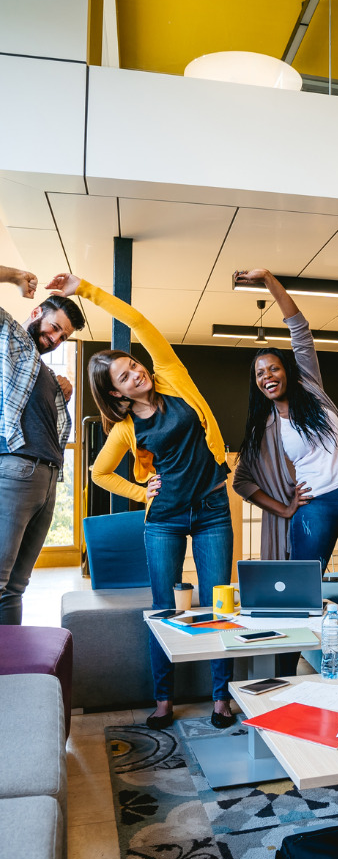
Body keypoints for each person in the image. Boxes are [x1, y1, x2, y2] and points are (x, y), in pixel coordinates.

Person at [46, 271, 234, 732]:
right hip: (164, 519)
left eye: (133, 365)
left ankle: (221, 697)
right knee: (164, 607)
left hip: (212, 509)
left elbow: (140, 322)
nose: (137, 372)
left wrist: (84, 291)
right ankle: (164, 698)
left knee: (218, 605)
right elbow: (98, 473)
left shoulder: (173, 379)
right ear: (116, 392)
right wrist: (141, 491)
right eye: (125, 376)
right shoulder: (125, 429)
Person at [232, 269, 338, 673]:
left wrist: (268, 280)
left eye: (273, 368)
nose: (268, 377)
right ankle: (285, 675)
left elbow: (299, 328)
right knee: (301, 598)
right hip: (317, 506)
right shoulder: (266, 426)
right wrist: (282, 508)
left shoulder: (311, 386)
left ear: (287, 370)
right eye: (260, 374)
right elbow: (241, 480)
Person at [0, 265, 84, 624]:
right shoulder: (13, 339)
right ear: (36, 314)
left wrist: (62, 392)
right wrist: (15, 276)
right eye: (54, 328)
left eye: (64, 337)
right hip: (16, 468)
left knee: (17, 585)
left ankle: (10, 671)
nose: (55, 339)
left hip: (47, 478)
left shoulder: (45, 371)